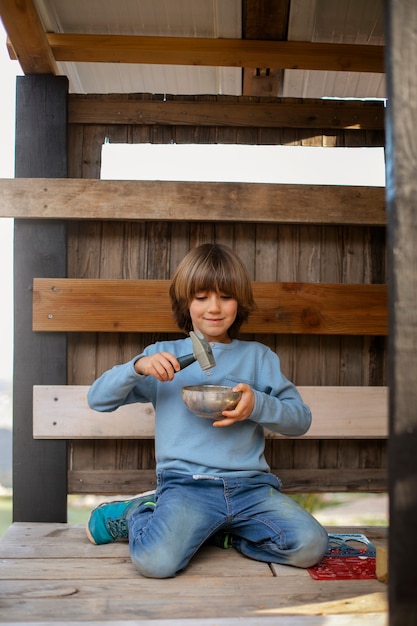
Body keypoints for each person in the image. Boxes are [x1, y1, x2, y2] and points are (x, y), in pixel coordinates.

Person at [86, 243, 329, 578]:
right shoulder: (163, 357)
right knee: (156, 563)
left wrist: (257, 404)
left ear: (239, 302)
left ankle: (224, 535)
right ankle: (138, 511)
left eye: (225, 296)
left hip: (251, 490)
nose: (214, 308)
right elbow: (98, 399)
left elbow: (300, 420)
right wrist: (137, 367)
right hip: (187, 487)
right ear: (186, 302)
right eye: (201, 297)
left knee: (310, 546)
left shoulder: (259, 358)